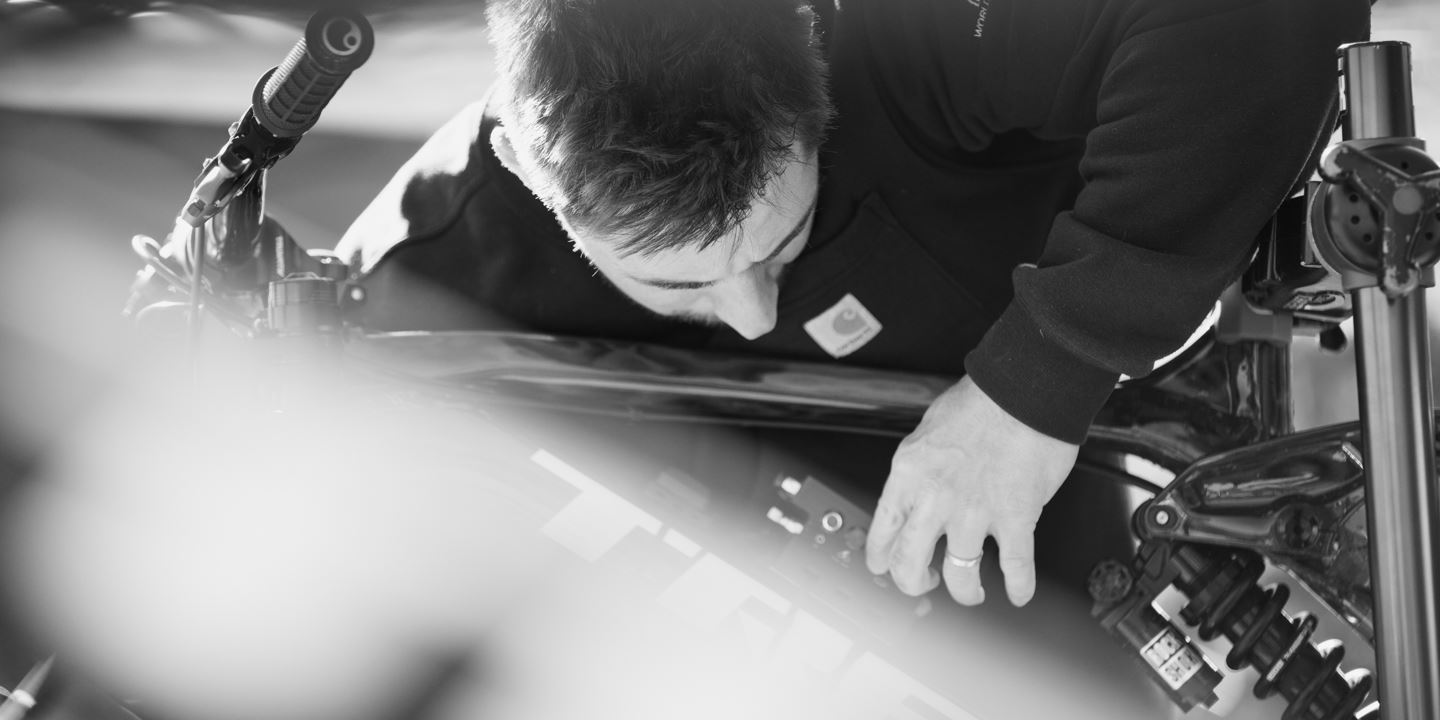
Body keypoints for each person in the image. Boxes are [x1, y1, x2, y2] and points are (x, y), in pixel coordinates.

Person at [335, 0, 1370, 609]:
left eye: (783, 243)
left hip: (1020, 520)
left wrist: (1043, 371)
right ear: (521, 164)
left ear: (814, 57)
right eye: (678, 282)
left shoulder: (903, 33)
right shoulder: (410, 282)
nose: (748, 315)